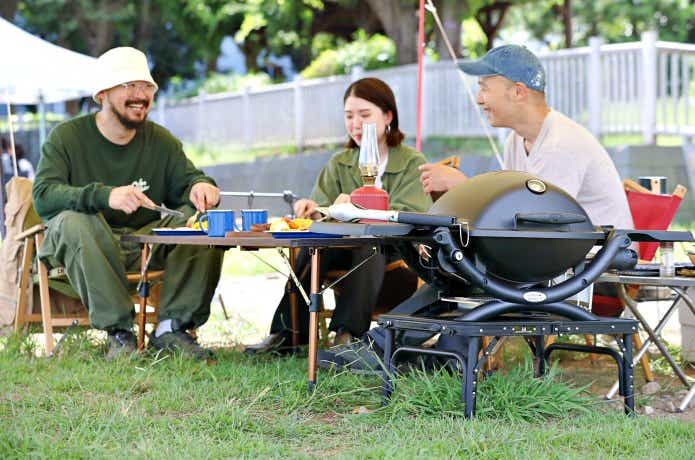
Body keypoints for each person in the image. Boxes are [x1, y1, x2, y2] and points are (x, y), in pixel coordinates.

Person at [320, 44, 633, 372]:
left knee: (463, 270)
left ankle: (397, 351)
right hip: (547, 258)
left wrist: (463, 185)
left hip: (591, 269)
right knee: (452, 266)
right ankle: (411, 354)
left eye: (484, 87)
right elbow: (518, 223)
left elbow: (535, 224)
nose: (479, 98)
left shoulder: (562, 144)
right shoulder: (518, 140)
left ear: (517, 91)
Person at [32, 47, 224, 360]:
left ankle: (171, 330)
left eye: (146, 87)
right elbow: (43, 196)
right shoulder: (66, 137)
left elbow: (188, 182)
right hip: (83, 246)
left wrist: (202, 187)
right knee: (75, 220)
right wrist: (104, 196)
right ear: (102, 94)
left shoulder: (161, 140)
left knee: (200, 221)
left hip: (144, 244)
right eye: (129, 86)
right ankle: (120, 334)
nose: (140, 95)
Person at [245, 77, 431, 354]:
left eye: (364, 115)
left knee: (370, 243)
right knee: (314, 245)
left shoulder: (412, 163)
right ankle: (288, 332)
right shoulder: (339, 163)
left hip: (397, 261)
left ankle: (347, 335)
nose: (356, 123)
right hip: (343, 256)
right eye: (349, 116)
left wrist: (355, 208)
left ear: (388, 115)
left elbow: (409, 215)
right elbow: (320, 212)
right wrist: (314, 208)